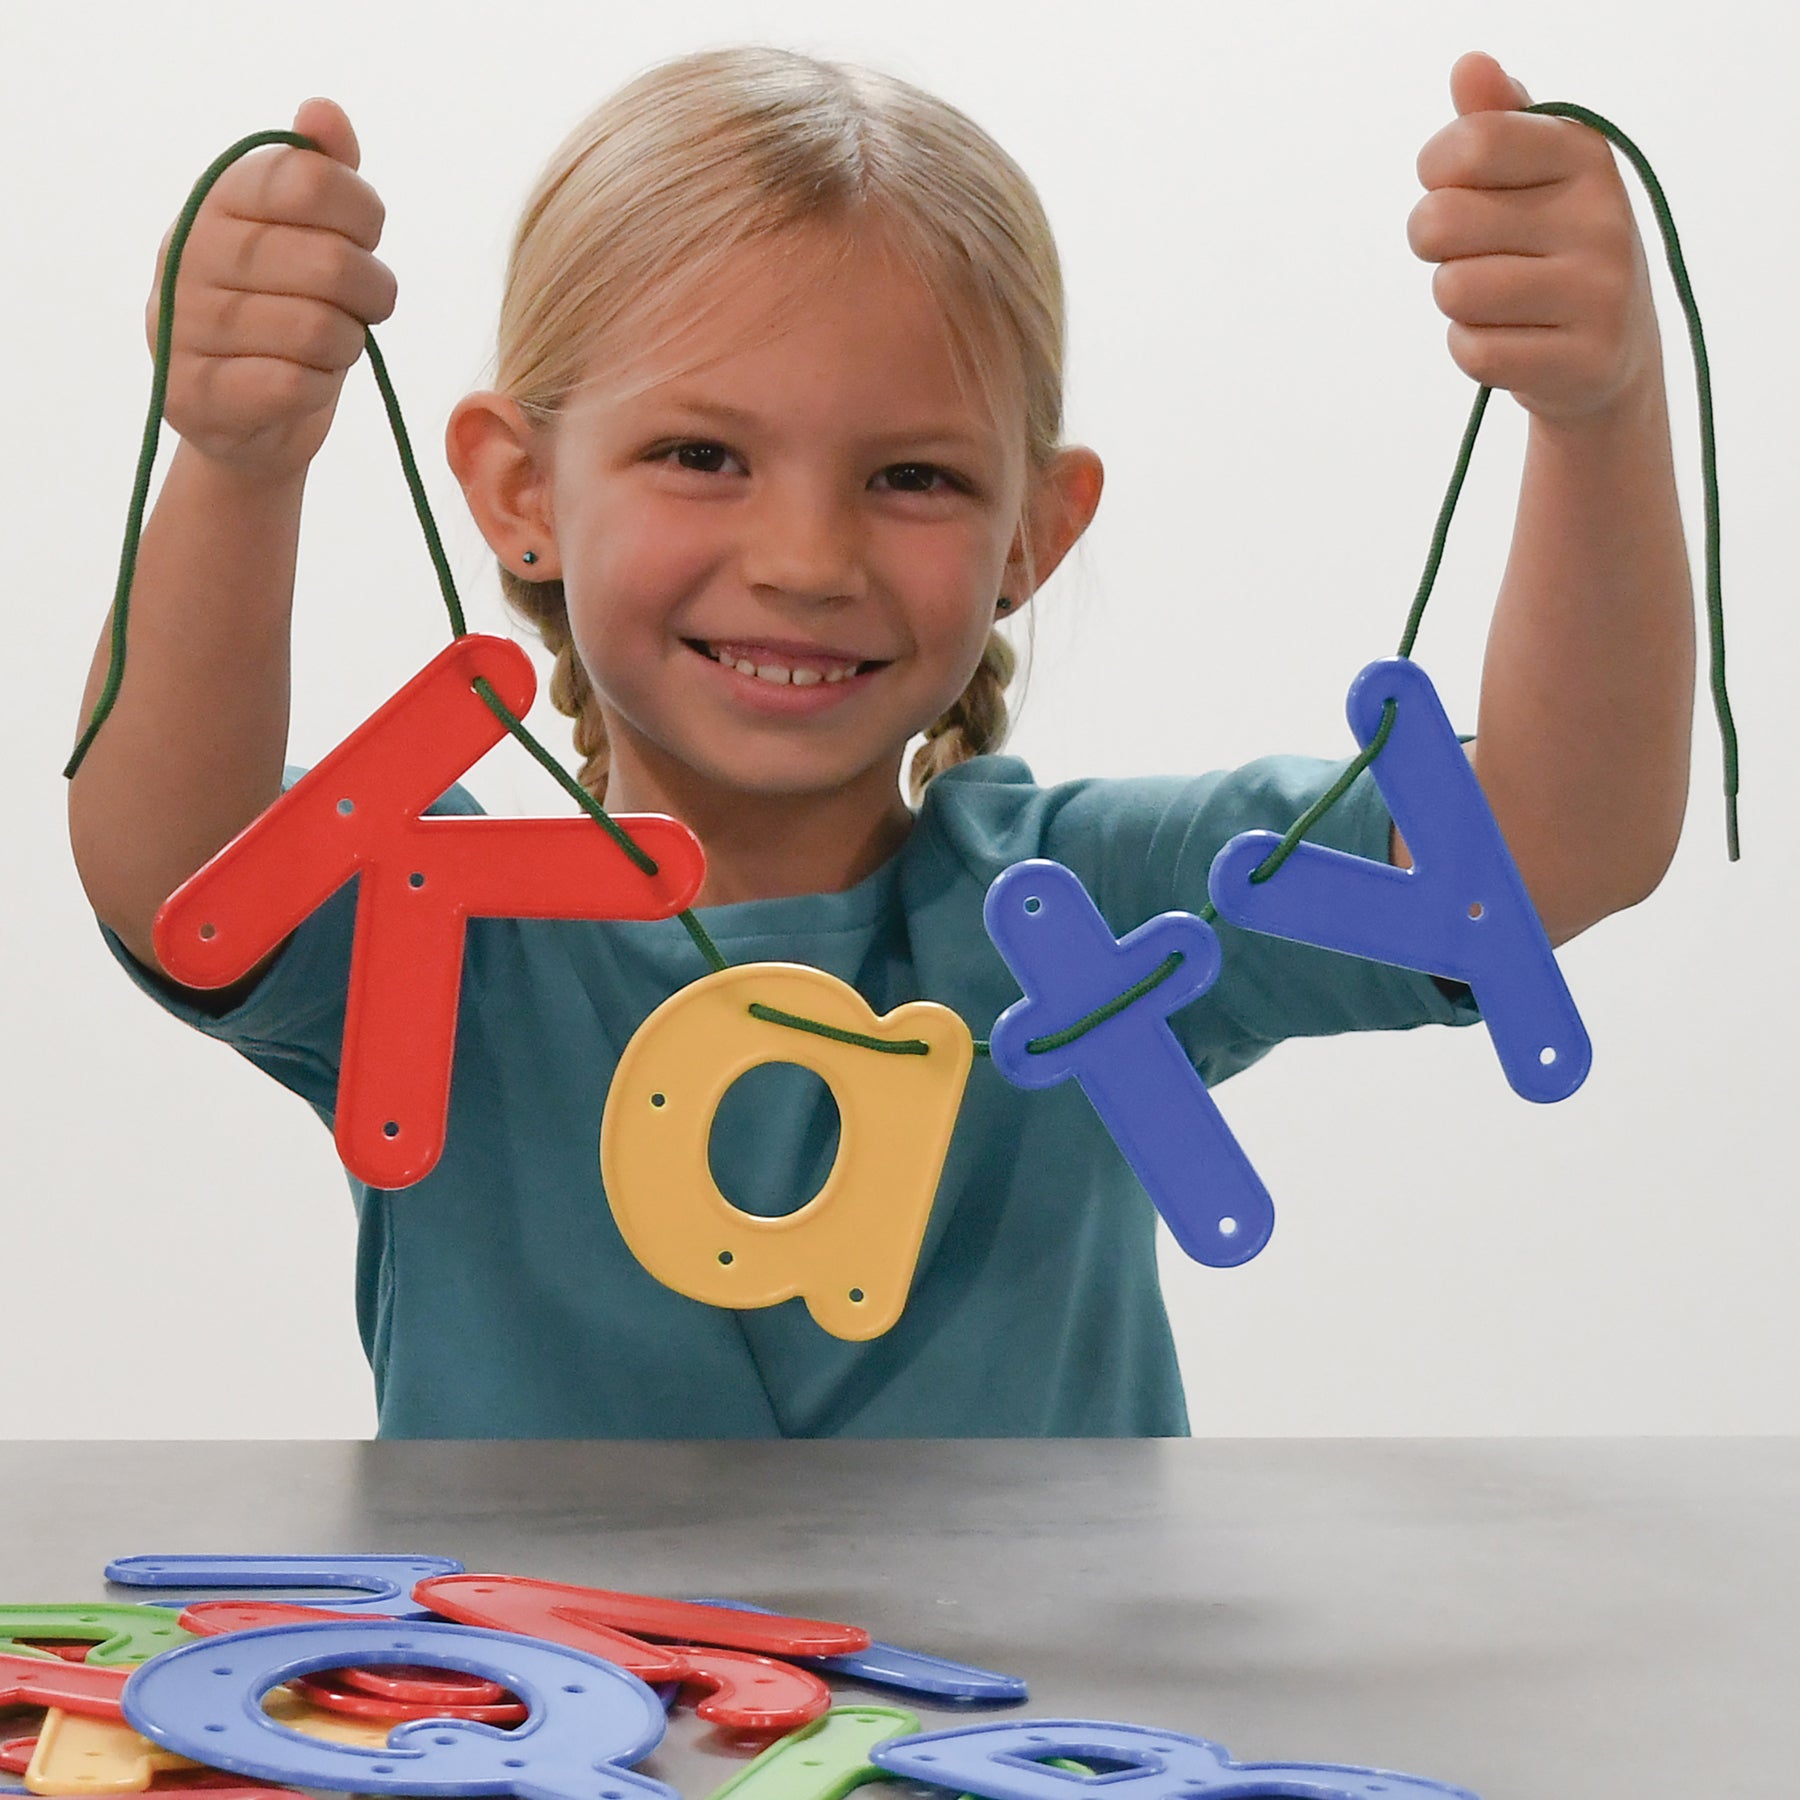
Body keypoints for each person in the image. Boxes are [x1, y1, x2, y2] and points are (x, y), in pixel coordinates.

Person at [67, 45, 1694, 1438]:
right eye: (702, 453)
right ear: (515, 491)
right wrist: (239, 456)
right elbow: (170, 869)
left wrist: (1600, 415)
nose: (805, 557)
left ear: (1030, 537)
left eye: (911, 477)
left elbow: (1551, 849)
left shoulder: (1098, 902)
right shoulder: (458, 923)